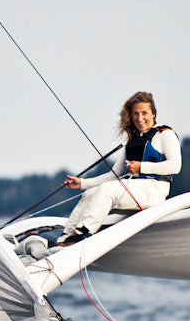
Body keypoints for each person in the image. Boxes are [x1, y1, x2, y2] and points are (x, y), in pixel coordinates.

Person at [55, 91, 181, 247]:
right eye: (136, 114)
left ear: (153, 113)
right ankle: (64, 239)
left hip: (154, 189)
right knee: (90, 194)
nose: (140, 118)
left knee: (107, 190)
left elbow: (175, 166)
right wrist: (81, 183)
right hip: (133, 189)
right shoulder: (134, 139)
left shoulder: (165, 134)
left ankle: (83, 235)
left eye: (144, 113)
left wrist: (141, 166)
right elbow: (113, 175)